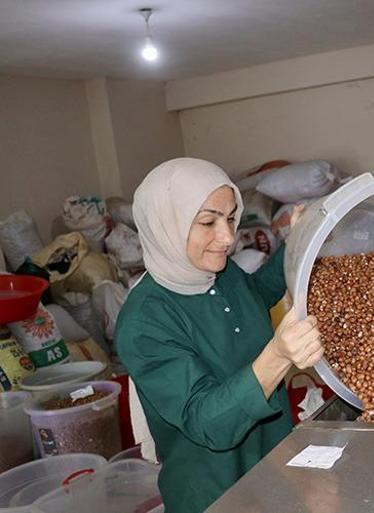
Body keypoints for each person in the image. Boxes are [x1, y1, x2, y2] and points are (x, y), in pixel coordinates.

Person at [115, 158, 323, 513]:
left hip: (275, 469)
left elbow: (255, 297)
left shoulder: (220, 272)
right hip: (216, 495)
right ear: (168, 224)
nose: (227, 237)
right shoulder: (145, 322)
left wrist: (299, 241)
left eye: (230, 218)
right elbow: (205, 419)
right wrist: (277, 356)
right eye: (208, 222)